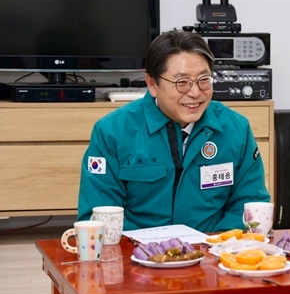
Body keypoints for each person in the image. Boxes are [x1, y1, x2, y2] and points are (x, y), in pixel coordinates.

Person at [77, 30, 270, 232]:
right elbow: (99, 215)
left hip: (212, 253)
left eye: (204, 80)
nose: (195, 93)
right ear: (152, 83)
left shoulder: (236, 129)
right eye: (182, 82)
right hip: (138, 256)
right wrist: (151, 252)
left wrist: (217, 245)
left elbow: (250, 204)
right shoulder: (112, 132)